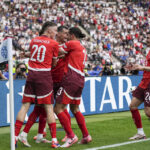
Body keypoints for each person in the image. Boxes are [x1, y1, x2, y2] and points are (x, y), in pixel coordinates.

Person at [18, 26, 69, 147]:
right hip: (47, 78)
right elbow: (50, 55)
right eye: (64, 33)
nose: (66, 35)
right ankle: (67, 134)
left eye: (68, 34)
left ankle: (40, 135)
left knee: (44, 109)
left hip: (55, 79)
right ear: (57, 33)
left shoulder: (61, 44)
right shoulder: (54, 44)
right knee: (43, 109)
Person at [54, 27, 92, 148]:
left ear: (72, 35)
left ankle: (71, 136)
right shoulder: (81, 47)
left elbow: (57, 50)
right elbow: (63, 56)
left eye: (68, 34)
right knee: (75, 109)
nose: (66, 37)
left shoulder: (72, 43)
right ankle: (86, 135)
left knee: (58, 108)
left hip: (70, 79)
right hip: (80, 79)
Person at [125, 31, 150, 140]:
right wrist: (136, 67)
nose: (147, 40)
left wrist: (142, 68)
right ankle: (140, 133)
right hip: (144, 81)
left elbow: (146, 68)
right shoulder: (148, 51)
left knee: (148, 112)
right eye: (147, 37)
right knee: (133, 106)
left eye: (149, 38)